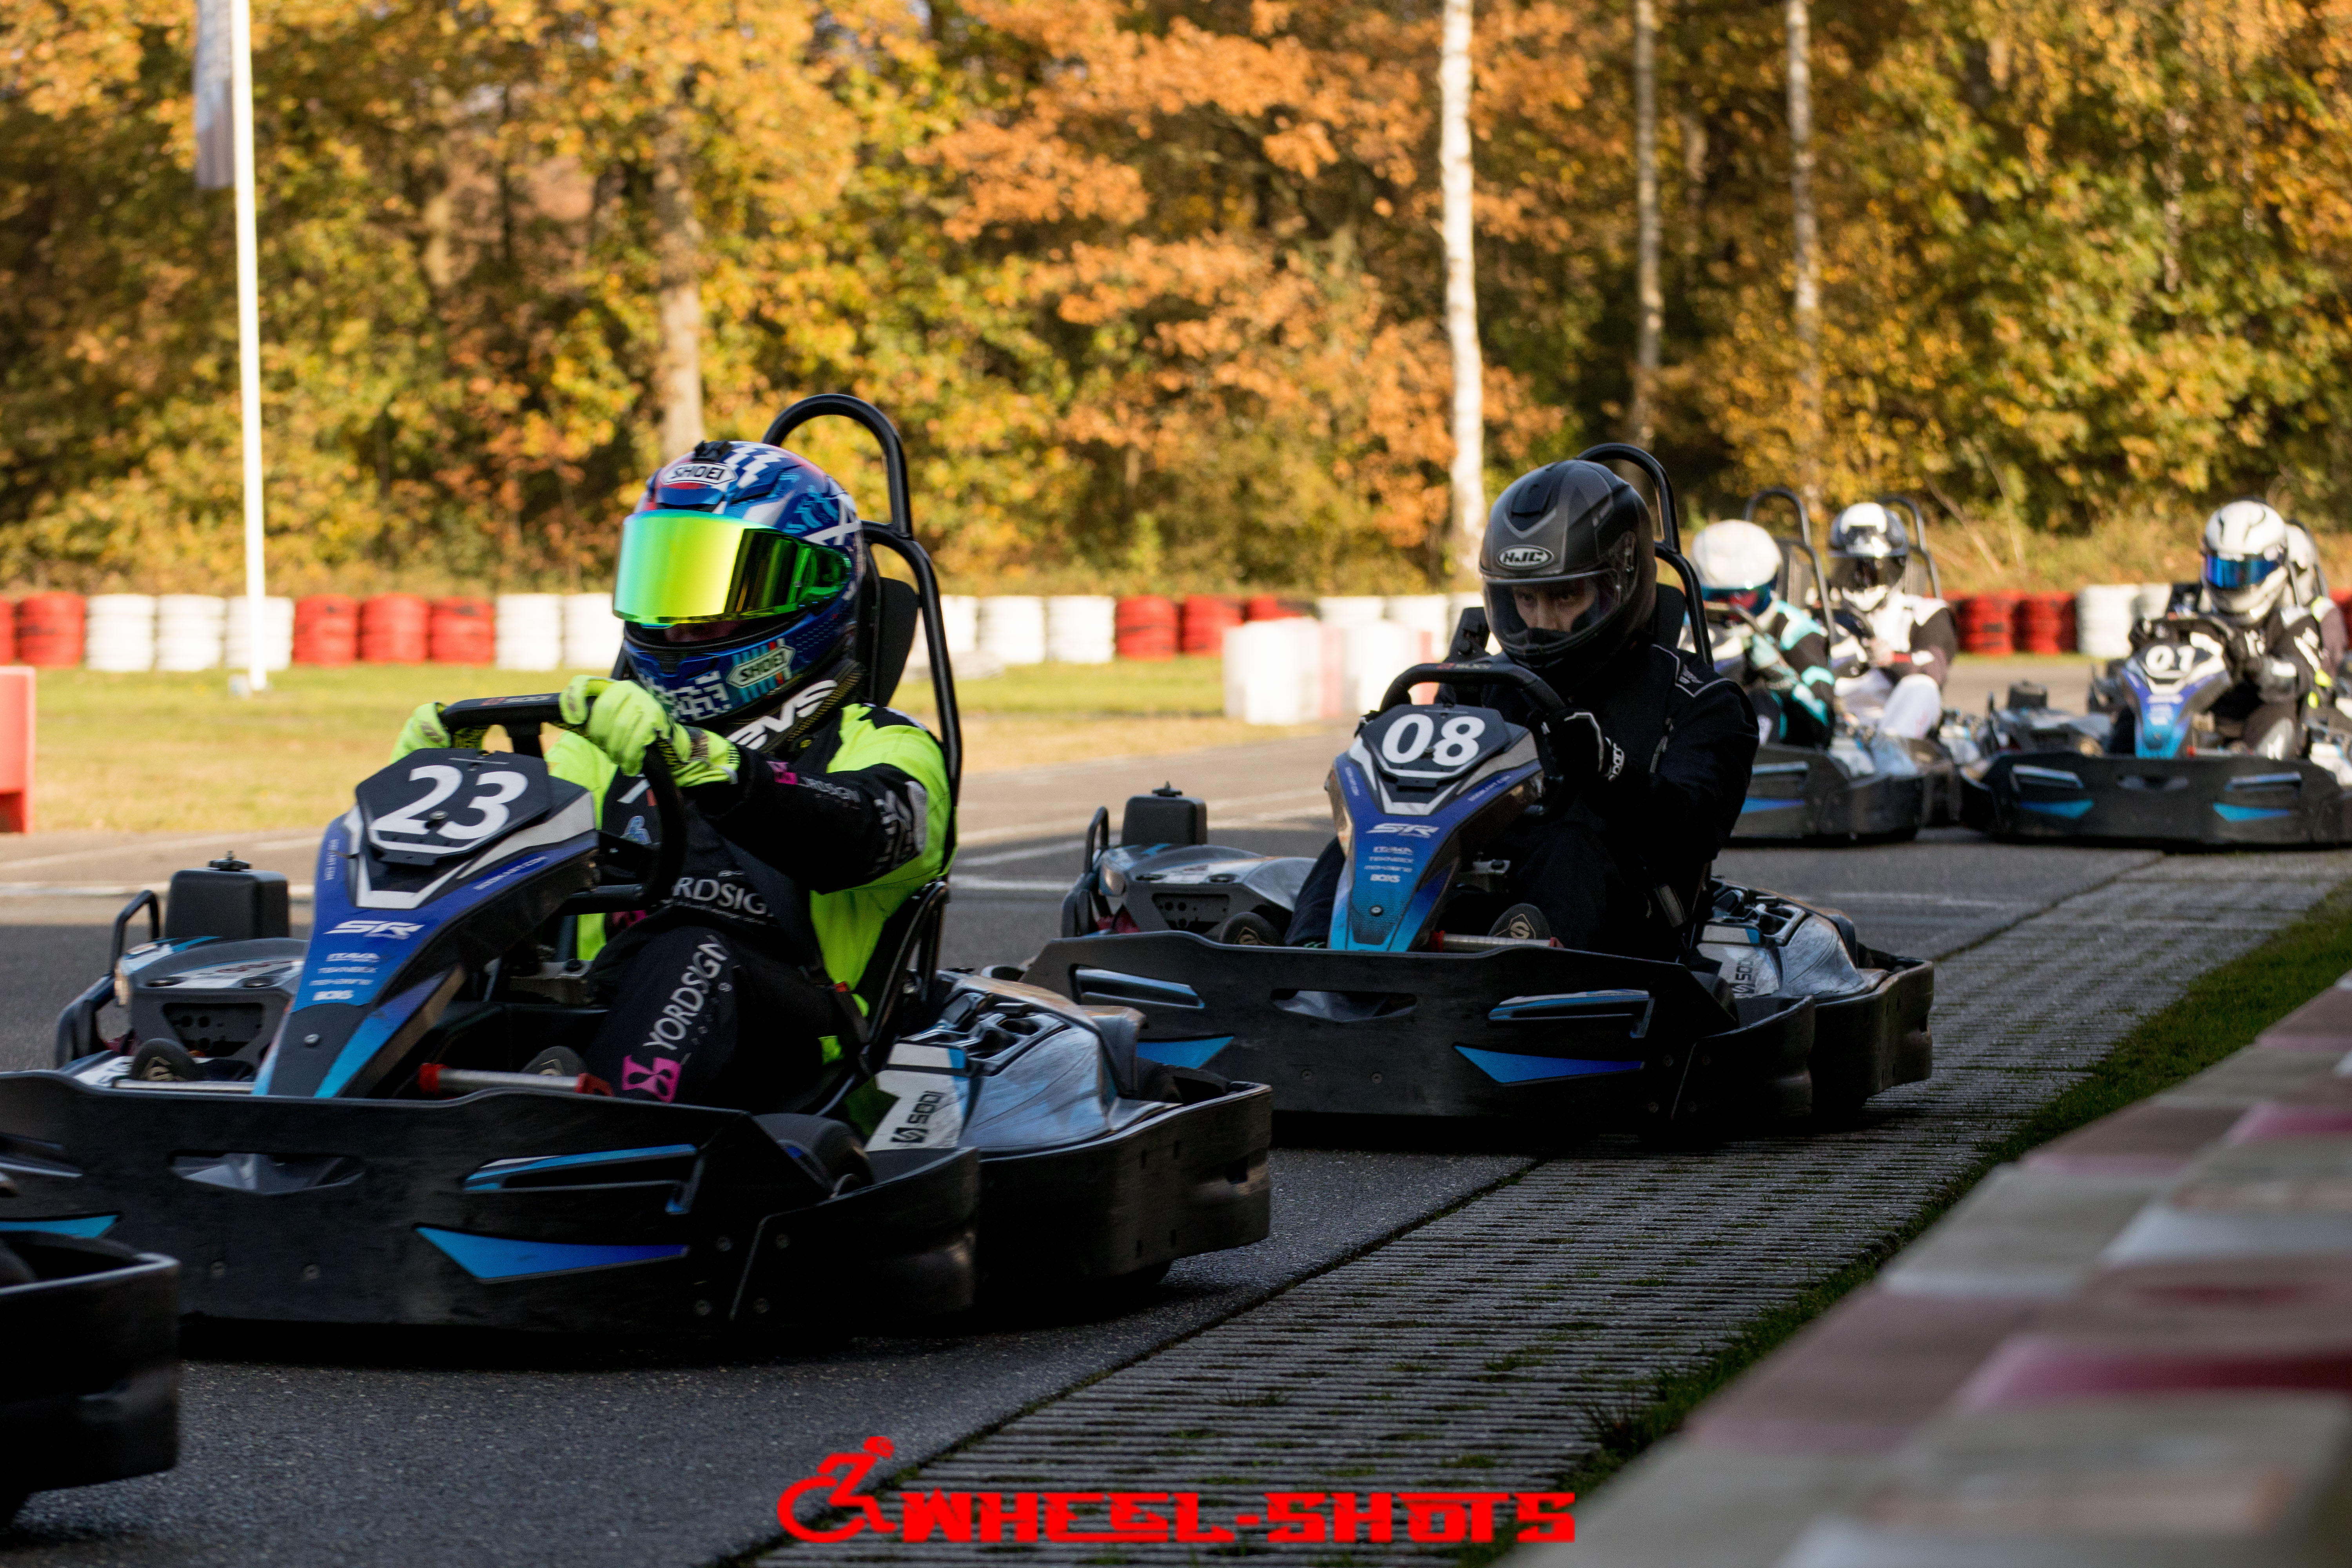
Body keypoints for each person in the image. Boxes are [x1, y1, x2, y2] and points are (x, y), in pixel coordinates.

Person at [393, 439, 950, 1108]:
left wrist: (710, 766)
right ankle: (339, 1115)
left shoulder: (883, 743)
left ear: (810, 589)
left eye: (713, 590)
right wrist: (446, 794)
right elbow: (508, 883)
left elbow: (861, 830)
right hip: (599, 1006)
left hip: (793, 1040)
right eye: (665, 582)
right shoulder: (605, 744)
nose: (682, 625)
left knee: (693, 952)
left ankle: (599, 1134)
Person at [1283, 459, 1757, 958]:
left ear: (1620, 584)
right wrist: (1386, 758)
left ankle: (1527, 962)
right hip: (1476, 889)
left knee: (1571, 845)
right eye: (1525, 599)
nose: (1541, 620)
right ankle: (1308, 961)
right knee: (1366, 842)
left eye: (1564, 596)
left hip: (1625, 923)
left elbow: (1696, 832)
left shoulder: (1701, 700)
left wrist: (1611, 771)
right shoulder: (1481, 684)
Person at [2134, 499, 2332, 758]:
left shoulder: (2292, 623)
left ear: (2274, 565)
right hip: (2194, 725)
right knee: (2135, 708)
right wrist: (2146, 647)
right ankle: (2119, 763)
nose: (2231, 583)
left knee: (2279, 710)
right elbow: (2158, 672)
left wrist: (2257, 666)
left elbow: (2298, 676)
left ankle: (2253, 768)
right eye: (2222, 570)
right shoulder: (2192, 620)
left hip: (2252, 734)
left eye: (2243, 572)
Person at [1689, 518, 1838, 748]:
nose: (1732, 609)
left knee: (1760, 699)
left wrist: (1780, 678)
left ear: (1768, 586)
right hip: (1696, 741)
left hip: (1776, 755)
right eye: (1720, 598)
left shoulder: (1796, 630)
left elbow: (1824, 724)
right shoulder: (1688, 624)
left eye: (1742, 597)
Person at [1820, 502, 1956, 740]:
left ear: (1897, 565)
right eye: (1852, 569)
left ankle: (1890, 754)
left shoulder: (1923, 613)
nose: (1862, 580)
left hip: (1893, 723)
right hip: (1831, 722)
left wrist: (1891, 659)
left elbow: (1934, 667)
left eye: (1872, 569)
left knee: (1922, 688)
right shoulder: (1819, 613)